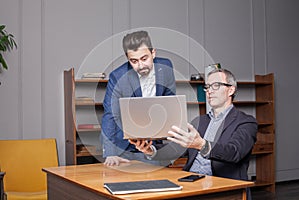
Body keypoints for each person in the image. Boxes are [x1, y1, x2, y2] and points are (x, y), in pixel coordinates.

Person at [130, 68, 257, 199]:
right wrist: (150, 150)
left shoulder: (246, 122)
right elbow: (176, 148)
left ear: (231, 90)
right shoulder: (199, 121)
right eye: (207, 87)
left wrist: (202, 145)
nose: (209, 91)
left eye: (216, 86)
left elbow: (234, 152)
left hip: (223, 187)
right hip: (189, 183)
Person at [101, 30, 176, 166]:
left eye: (144, 59)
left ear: (153, 53)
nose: (140, 66)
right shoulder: (117, 77)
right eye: (134, 61)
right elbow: (110, 115)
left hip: (153, 145)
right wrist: (110, 153)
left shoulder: (166, 67)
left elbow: (169, 103)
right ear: (127, 58)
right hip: (124, 147)